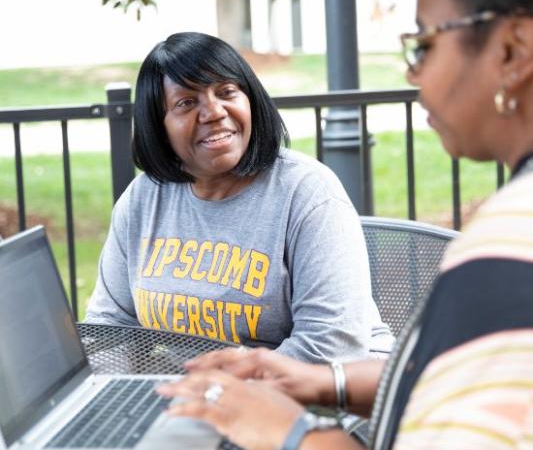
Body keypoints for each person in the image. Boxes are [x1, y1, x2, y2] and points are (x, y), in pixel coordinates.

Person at [156, 0, 533, 450]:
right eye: (186, 103)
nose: (411, 74)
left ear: (513, 52)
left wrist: (291, 433)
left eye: (424, 44)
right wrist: (316, 382)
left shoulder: (511, 250)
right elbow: (459, 389)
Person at [85, 32, 392, 363]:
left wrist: (212, 396)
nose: (214, 112)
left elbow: (331, 344)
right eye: (186, 103)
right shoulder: (143, 200)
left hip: (321, 395)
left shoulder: (307, 193)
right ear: (158, 127)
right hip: (197, 400)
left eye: (226, 92)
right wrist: (112, 395)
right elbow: (110, 329)